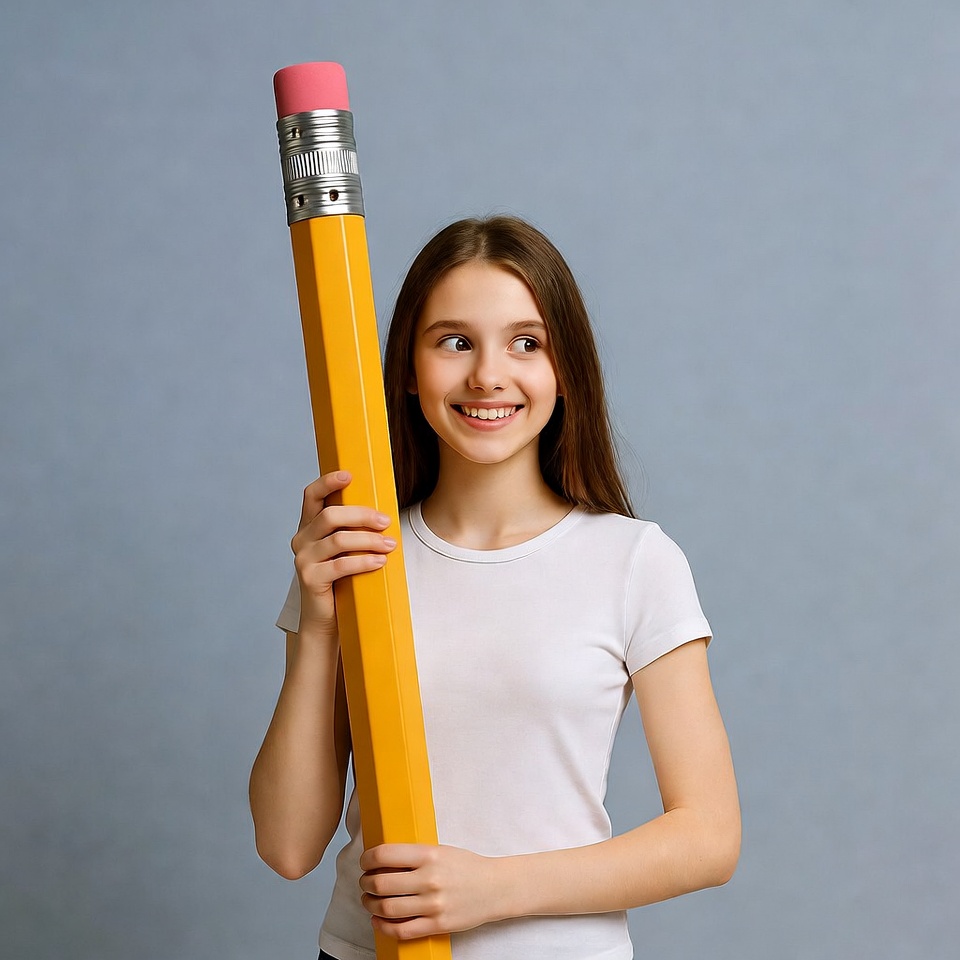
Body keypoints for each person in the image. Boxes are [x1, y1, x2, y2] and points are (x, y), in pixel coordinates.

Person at [249, 215, 740, 960]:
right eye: (454, 341)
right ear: (409, 371)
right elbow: (287, 846)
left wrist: (493, 889)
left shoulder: (634, 560)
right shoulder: (353, 555)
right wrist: (317, 623)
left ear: (564, 369)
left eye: (526, 342)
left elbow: (708, 837)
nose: (487, 375)